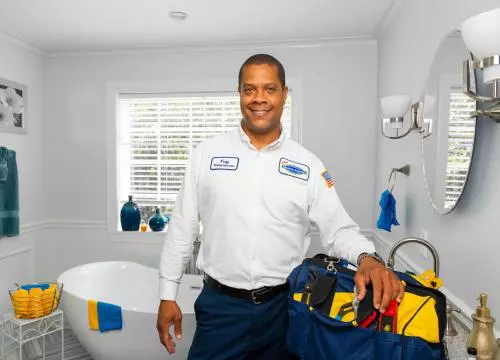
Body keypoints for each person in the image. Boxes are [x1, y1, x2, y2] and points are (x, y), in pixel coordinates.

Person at [156, 54, 405, 360]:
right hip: (219, 308)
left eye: (269, 89)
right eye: (250, 89)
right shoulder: (205, 155)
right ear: (239, 94)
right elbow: (182, 228)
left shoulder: (309, 165)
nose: (259, 98)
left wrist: (368, 259)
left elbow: (338, 229)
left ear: (285, 94)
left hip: (285, 310)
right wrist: (167, 295)